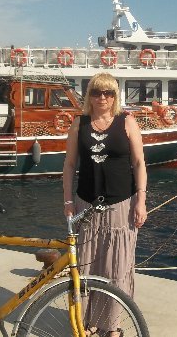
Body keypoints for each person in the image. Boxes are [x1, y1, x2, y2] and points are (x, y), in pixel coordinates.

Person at [62, 72, 147, 337]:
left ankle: (112, 326)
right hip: (85, 204)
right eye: (97, 92)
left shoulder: (127, 122)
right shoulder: (79, 123)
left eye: (108, 93)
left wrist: (141, 200)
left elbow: (139, 163)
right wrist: (67, 200)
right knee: (86, 267)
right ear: (89, 96)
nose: (103, 98)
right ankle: (88, 322)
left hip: (121, 205)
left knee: (117, 269)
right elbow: (69, 165)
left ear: (115, 96)